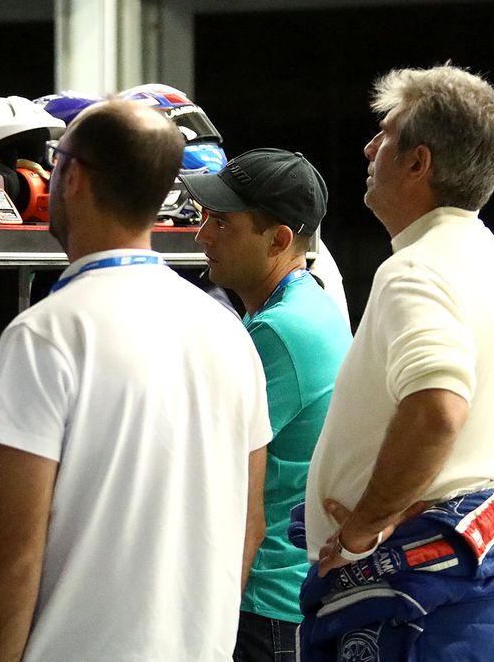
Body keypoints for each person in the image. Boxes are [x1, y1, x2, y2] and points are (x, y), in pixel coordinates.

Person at [301, 65, 494, 661]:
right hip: (470, 589)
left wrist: (365, 526)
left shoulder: (415, 270)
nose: (368, 148)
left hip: (412, 604)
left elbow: (439, 410)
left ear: (418, 163)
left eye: (384, 134)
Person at [0, 100, 273, 662]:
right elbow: (250, 523)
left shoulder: (47, 334)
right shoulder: (228, 329)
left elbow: (14, 553)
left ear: (73, 177)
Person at [185, 149, 353, 662]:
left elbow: (207, 466)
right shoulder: (309, 306)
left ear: (279, 239)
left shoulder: (279, 332)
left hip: (266, 604)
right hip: (290, 596)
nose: (201, 236)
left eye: (222, 223)